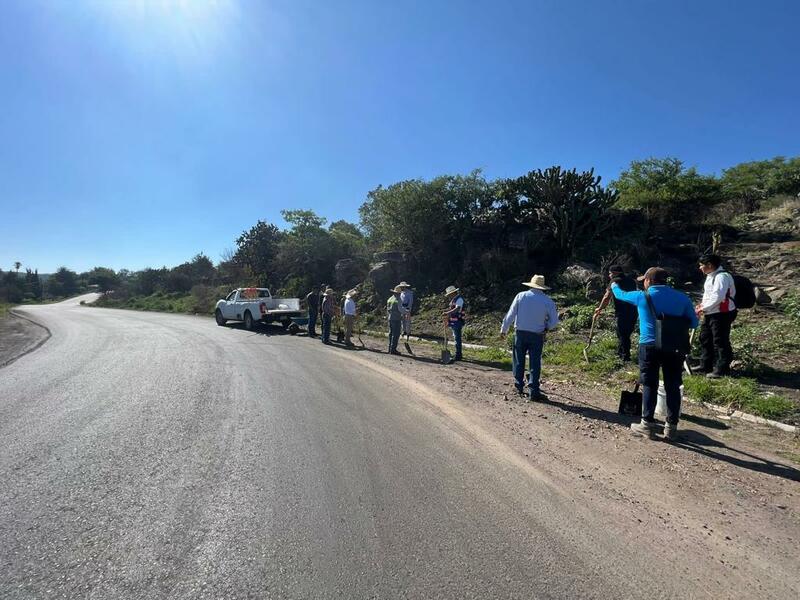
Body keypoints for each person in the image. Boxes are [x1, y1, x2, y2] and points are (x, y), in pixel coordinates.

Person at [611, 267, 699, 441]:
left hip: (649, 345)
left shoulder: (642, 296)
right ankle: (671, 428)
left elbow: (621, 295)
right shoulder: (683, 298)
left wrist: (613, 286)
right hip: (674, 347)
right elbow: (694, 323)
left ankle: (647, 424)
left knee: (650, 383)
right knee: (673, 386)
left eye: (644, 280)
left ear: (649, 281)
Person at [501, 275, 560, 400]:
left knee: (518, 360)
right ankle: (534, 390)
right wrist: (546, 327)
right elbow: (554, 321)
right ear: (543, 287)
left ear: (531, 285)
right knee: (535, 362)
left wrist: (504, 329)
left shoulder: (521, 296)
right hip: (537, 335)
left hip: (520, 333)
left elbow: (511, 314)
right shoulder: (547, 301)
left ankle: (519, 386)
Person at [696, 254, 737, 378]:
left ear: (710, 265)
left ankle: (722, 368)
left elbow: (718, 297)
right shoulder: (710, 276)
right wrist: (702, 306)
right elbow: (709, 295)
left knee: (720, 340)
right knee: (705, 338)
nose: (700, 268)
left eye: (701, 265)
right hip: (711, 312)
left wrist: (704, 308)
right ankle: (705, 365)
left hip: (722, 314)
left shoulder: (722, 277)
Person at [593, 265, 638, 361]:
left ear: (615, 273)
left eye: (610, 273)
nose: (609, 275)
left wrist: (599, 308)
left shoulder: (615, 281)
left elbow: (606, 297)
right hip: (634, 310)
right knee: (626, 333)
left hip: (622, 311)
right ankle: (620, 352)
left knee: (622, 334)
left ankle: (625, 356)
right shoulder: (631, 281)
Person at [443, 285, 465, 361]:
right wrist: (447, 319)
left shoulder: (459, 299)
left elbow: (457, 309)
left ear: (453, 293)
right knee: (455, 337)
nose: (449, 296)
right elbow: (451, 309)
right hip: (453, 321)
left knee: (457, 338)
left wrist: (447, 312)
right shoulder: (453, 300)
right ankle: (457, 353)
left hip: (458, 321)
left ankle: (458, 355)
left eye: (449, 294)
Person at [386, 285, 406, 355]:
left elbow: (387, 309)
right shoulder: (398, 299)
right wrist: (406, 311)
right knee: (396, 334)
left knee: (391, 333)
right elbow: (400, 309)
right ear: (399, 293)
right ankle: (393, 349)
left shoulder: (390, 299)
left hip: (390, 318)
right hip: (396, 318)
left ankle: (389, 349)